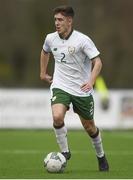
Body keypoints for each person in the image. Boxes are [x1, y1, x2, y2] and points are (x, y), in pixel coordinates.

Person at [40, 5, 109, 171]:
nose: (56, 23)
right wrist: (43, 72)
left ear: (69, 21)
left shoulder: (82, 40)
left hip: (81, 90)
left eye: (60, 20)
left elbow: (97, 62)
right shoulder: (50, 38)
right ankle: (65, 151)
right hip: (60, 85)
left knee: (90, 128)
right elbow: (45, 51)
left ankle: (101, 155)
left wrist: (91, 81)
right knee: (57, 117)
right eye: (55, 19)